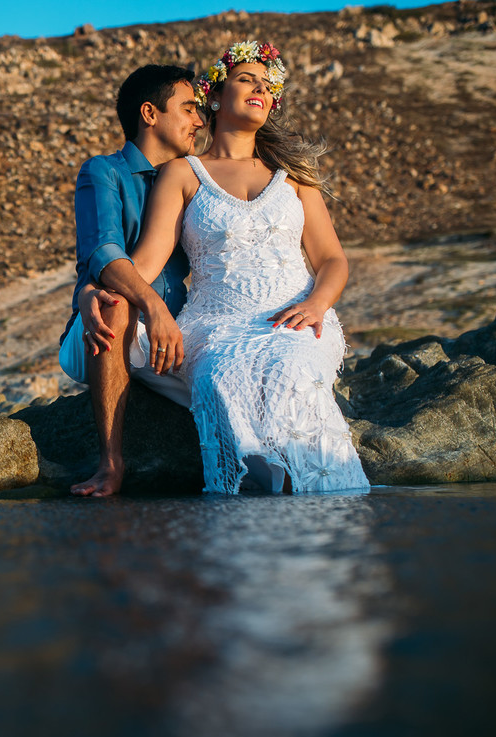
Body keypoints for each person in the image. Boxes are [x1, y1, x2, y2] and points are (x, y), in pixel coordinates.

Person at [79, 40, 369, 494]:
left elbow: (332, 259)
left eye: (268, 85)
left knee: (290, 369)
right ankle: (243, 519)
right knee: (217, 376)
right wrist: (96, 291)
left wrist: (317, 304)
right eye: (246, 78)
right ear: (215, 96)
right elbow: (148, 260)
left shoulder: (294, 174)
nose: (260, 88)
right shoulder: (183, 173)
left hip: (295, 316)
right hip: (216, 324)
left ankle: (321, 504)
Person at [59, 64, 205, 497]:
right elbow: (103, 254)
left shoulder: (195, 177)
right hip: (99, 331)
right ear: (149, 113)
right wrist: (152, 306)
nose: (199, 120)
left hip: (173, 333)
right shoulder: (103, 171)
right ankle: (110, 464)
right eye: (189, 108)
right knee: (114, 303)